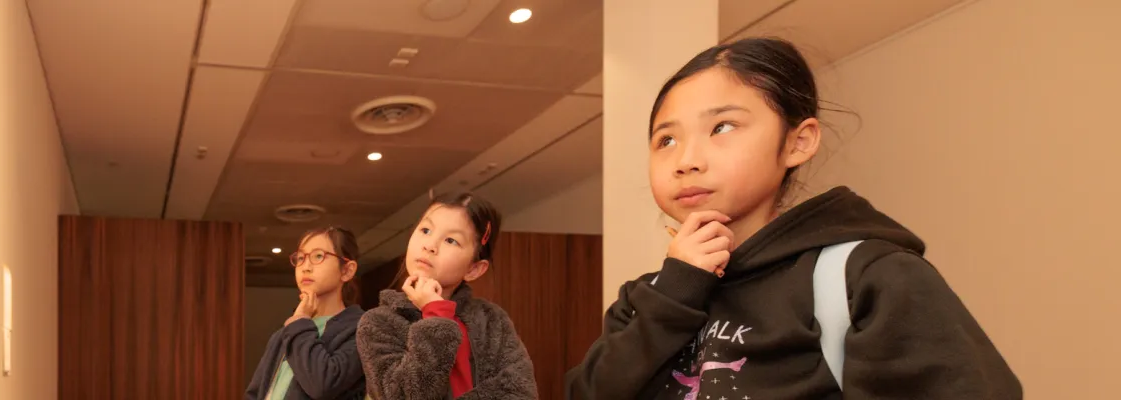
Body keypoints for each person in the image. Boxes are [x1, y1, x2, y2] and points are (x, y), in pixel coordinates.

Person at [564, 37, 1021, 399]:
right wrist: (676, 292)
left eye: (722, 127)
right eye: (666, 140)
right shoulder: (646, 297)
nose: (686, 160)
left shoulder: (868, 276)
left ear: (798, 142)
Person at [356, 191, 538, 399]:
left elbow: (520, 392)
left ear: (474, 269)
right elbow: (406, 395)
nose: (430, 245)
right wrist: (436, 316)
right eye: (425, 230)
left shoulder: (492, 320)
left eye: (451, 240)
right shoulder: (378, 322)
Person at [246, 226, 368, 400]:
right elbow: (255, 393)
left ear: (347, 270)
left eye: (318, 256)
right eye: (301, 258)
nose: (306, 267)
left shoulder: (363, 329)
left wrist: (299, 323)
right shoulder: (284, 334)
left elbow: (322, 385)